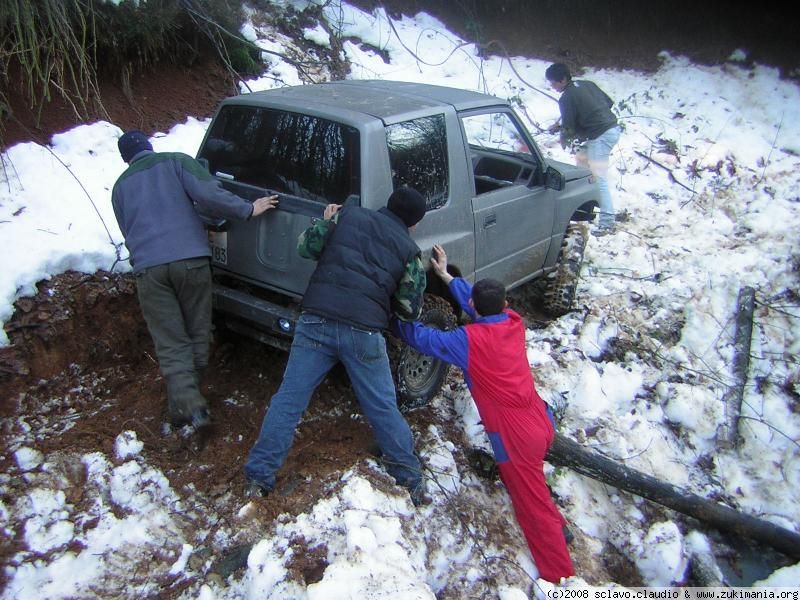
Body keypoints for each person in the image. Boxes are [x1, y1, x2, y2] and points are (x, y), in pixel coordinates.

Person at [391, 244, 575, 584]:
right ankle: (560, 529)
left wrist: (392, 318)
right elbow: (479, 308)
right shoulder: (512, 322)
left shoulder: (470, 341)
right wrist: (447, 276)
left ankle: (562, 576)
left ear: (475, 305)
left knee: (529, 504)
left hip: (516, 434)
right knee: (533, 484)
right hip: (538, 416)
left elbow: (423, 338)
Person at [244, 187, 429, 504]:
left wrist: (325, 222)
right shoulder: (409, 251)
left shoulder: (347, 214)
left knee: (289, 400)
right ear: (414, 224)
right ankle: (410, 480)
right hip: (364, 333)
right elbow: (408, 310)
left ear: (386, 203)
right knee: (382, 407)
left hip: (316, 320)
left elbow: (306, 248)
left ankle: (259, 478)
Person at [111, 129, 279, 429]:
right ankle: (191, 402)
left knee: (170, 342)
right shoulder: (175, 161)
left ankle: (185, 406)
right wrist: (248, 209)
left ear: (125, 158)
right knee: (197, 331)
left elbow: (129, 231)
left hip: (150, 270)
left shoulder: (120, 187)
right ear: (149, 146)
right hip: (190, 261)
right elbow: (208, 194)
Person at [545, 62, 621, 235]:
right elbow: (608, 103)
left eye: (554, 83)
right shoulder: (587, 84)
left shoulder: (566, 98)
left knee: (597, 177)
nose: (552, 86)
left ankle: (607, 221)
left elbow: (570, 128)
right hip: (612, 129)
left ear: (563, 80)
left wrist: (562, 136)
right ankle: (585, 209)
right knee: (582, 167)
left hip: (600, 137)